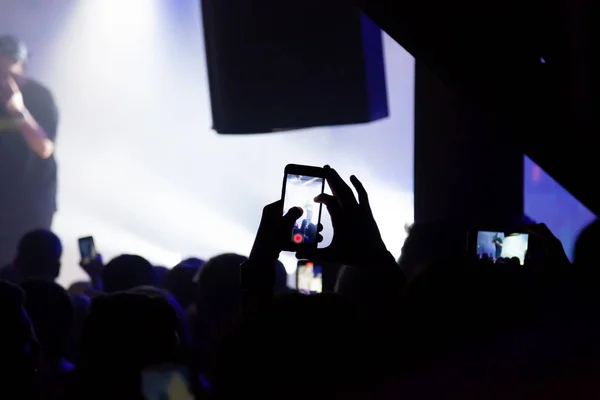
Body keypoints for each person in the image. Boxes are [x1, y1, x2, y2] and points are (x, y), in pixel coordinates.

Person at [0, 35, 59, 267]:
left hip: (29, 207)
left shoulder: (39, 97)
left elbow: (44, 147)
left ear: (21, 66)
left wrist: (18, 110)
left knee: (26, 271)